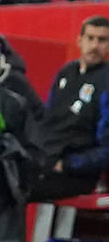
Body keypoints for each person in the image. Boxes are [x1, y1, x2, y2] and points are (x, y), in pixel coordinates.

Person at [27, 15, 109, 201]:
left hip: (76, 175)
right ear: (79, 40)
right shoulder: (66, 73)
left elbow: (106, 148)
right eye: (90, 38)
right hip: (45, 163)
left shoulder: (106, 81)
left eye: (102, 40)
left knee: (16, 189)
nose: (95, 46)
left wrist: (67, 165)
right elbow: (49, 121)